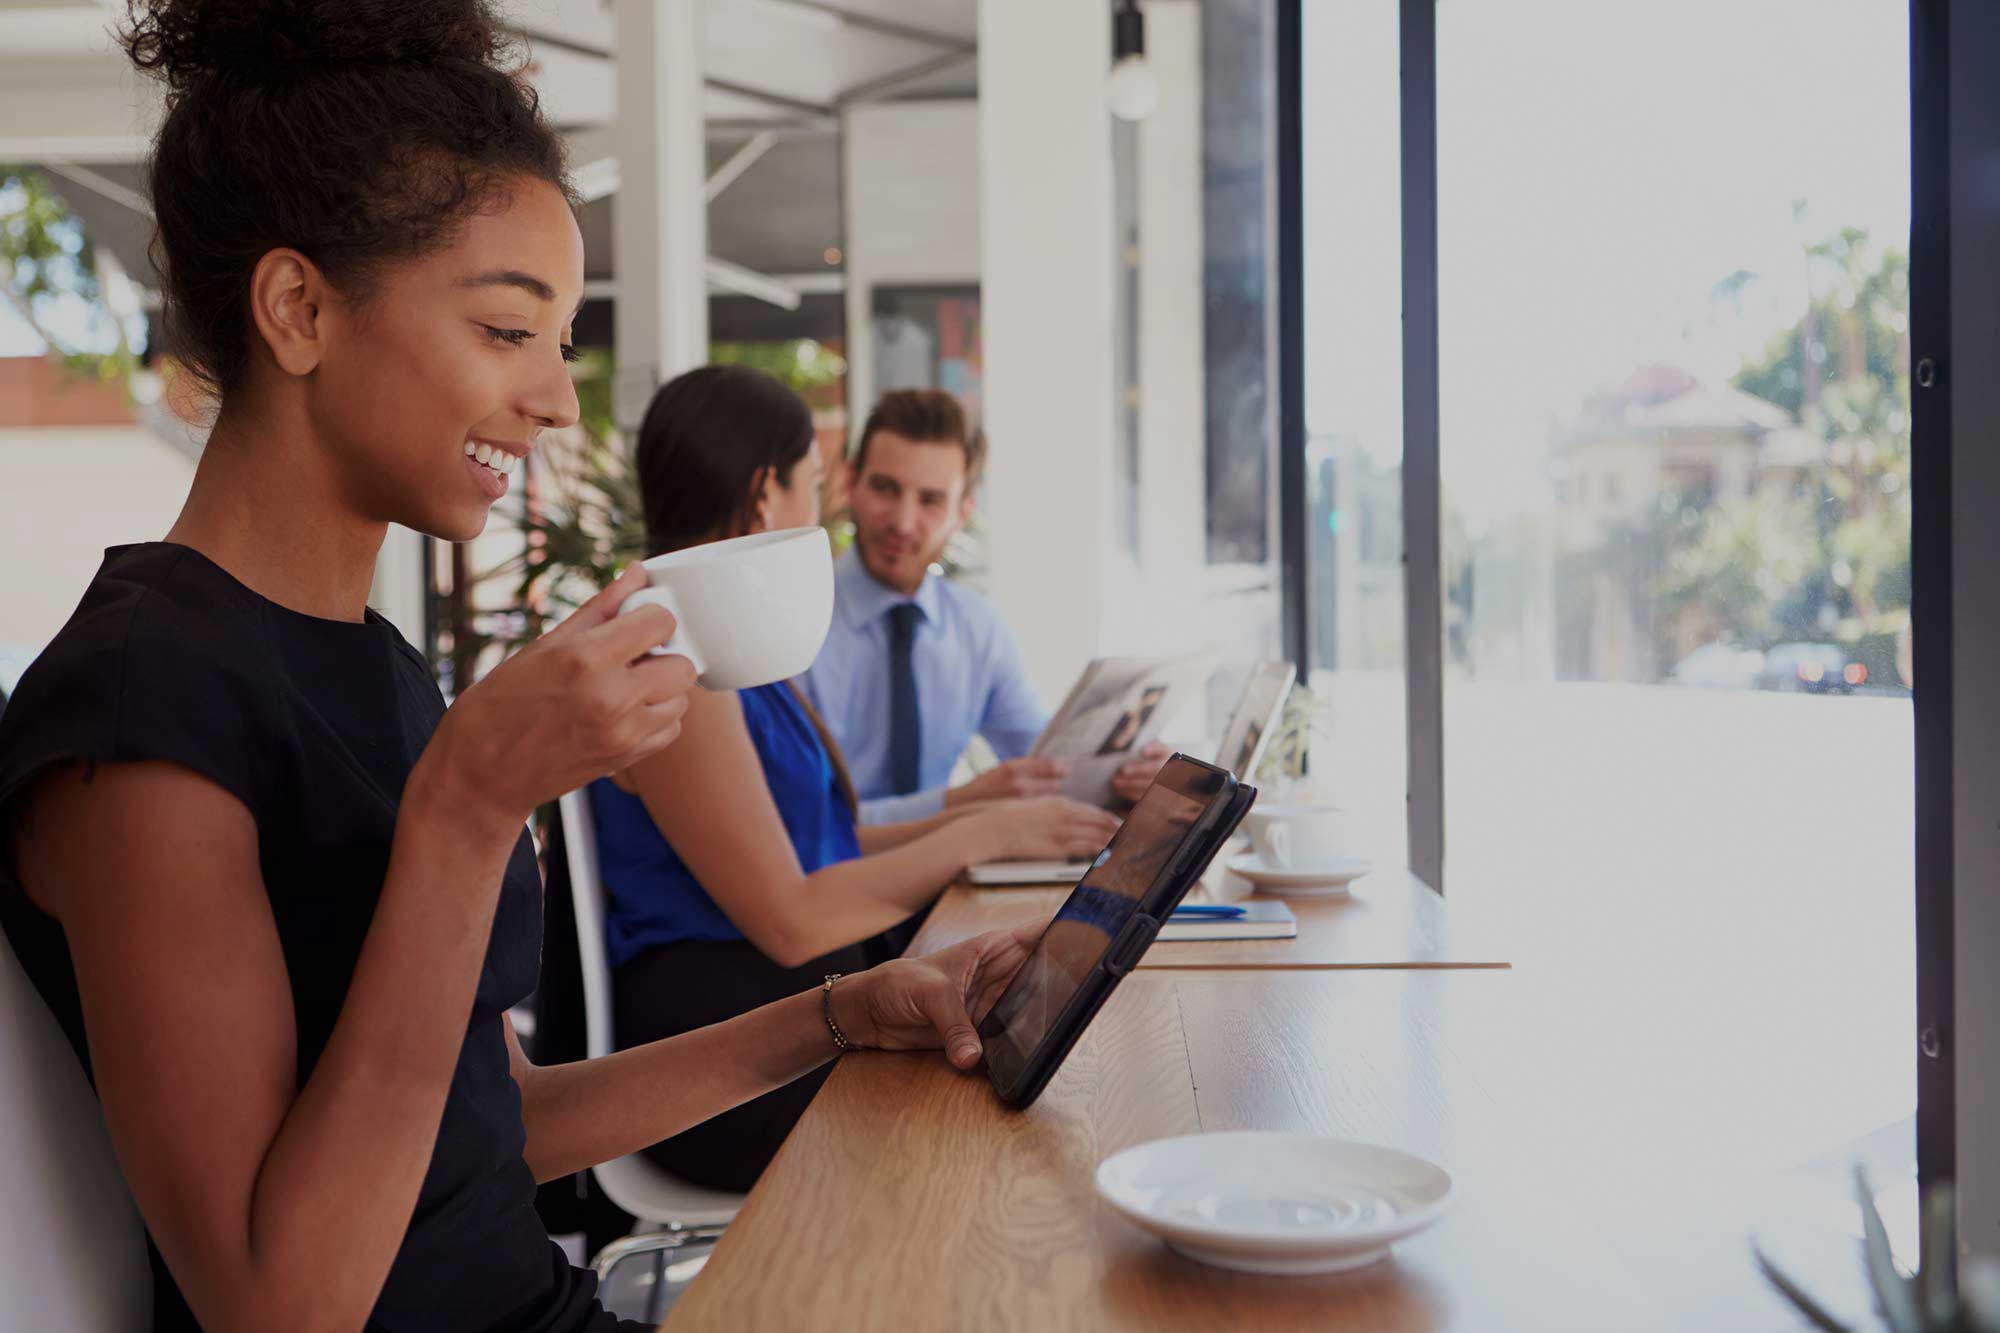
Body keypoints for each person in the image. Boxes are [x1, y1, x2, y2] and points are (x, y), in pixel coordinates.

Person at [0, 6, 1042, 1330]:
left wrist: (842, 1016)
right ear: (299, 308)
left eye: (560, 343)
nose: (558, 399)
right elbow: (279, 1301)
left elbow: (499, 1133)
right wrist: (472, 803)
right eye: (508, 332)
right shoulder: (140, 712)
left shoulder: (369, 667)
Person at [594, 364, 1119, 1191]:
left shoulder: (724, 641)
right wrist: (975, 832)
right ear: (766, 496)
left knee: (1038, 1061)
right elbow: (793, 920)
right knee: (1012, 1104)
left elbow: (823, 845)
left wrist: (982, 824)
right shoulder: (676, 661)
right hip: (719, 1055)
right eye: (814, 484)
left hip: (785, 1011)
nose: (823, 516)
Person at [801, 390, 1169, 823]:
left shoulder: (976, 629)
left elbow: (1053, 770)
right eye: (886, 488)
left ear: (962, 513)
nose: (902, 521)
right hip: (829, 880)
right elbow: (803, 825)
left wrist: (1131, 776)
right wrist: (959, 803)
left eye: (931, 500)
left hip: (950, 878)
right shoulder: (797, 627)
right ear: (850, 484)